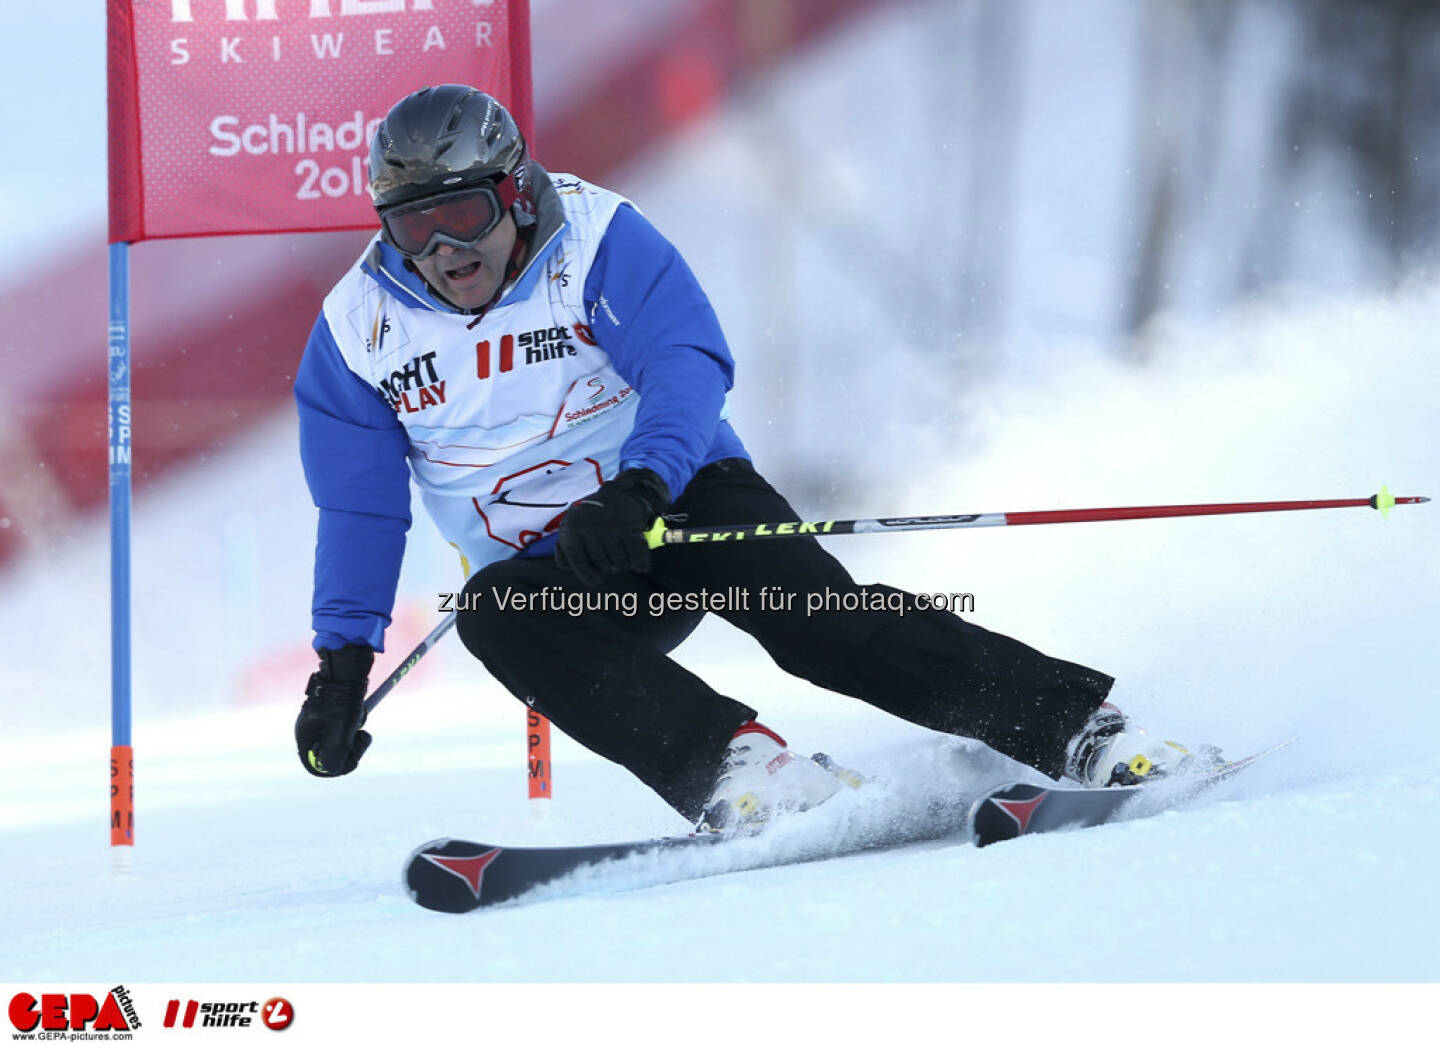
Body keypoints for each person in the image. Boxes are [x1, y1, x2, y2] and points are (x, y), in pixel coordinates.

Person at [293, 84, 1203, 831]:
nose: (446, 250)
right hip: (563, 576)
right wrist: (342, 668)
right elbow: (361, 508)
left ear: (516, 193)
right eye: (414, 227)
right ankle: (742, 772)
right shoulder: (356, 333)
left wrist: (642, 486)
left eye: (464, 213)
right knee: (494, 612)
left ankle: (1078, 728)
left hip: (680, 503)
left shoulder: (597, 240)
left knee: (822, 625)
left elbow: (685, 366)